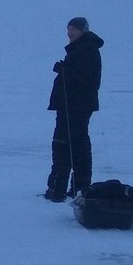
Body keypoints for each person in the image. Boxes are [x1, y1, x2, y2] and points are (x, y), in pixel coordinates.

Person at [44, 16, 103, 202]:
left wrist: (64, 70)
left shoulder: (86, 49)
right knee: (77, 146)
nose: (70, 32)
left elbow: (84, 78)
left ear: (83, 30)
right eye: (68, 29)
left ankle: (58, 190)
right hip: (75, 106)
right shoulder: (83, 48)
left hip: (75, 106)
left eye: (74, 29)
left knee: (64, 145)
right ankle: (78, 187)